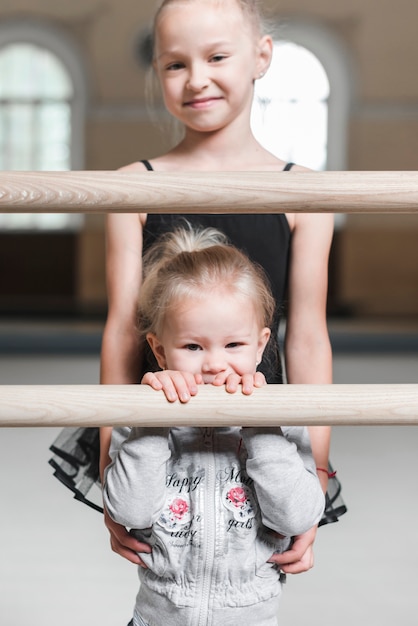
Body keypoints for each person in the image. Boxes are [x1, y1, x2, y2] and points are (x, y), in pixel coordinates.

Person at [49, 0, 346, 574]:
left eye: (216, 57)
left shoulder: (305, 192)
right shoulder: (132, 187)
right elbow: (122, 329)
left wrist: (318, 471)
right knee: (170, 580)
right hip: (163, 416)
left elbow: (307, 335)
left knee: (250, 578)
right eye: (174, 64)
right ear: (157, 71)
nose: (197, 79)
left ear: (261, 57)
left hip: (258, 416)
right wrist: (114, 461)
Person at [103, 224, 325, 626]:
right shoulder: (141, 418)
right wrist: (154, 420)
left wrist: (260, 423)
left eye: (234, 345)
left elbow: (295, 518)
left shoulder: (281, 418)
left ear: (261, 345)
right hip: (157, 618)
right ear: (159, 349)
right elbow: (129, 511)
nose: (214, 364)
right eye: (192, 347)